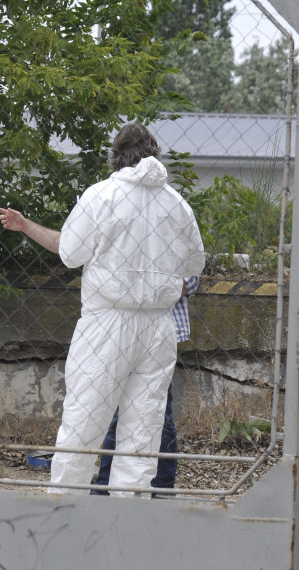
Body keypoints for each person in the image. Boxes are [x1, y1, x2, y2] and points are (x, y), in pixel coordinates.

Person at [22, 123, 204, 496]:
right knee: (143, 431)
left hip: (108, 321)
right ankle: (128, 522)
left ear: (116, 155)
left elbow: (71, 253)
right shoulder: (176, 203)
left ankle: (63, 511)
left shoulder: (101, 196)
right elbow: (194, 263)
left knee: (85, 420)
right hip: (158, 326)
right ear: (155, 153)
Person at [0, 206, 201, 495]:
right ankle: (104, 489)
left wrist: (137, 284)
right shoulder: (109, 207)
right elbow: (69, 244)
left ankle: (159, 491)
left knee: (151, 418)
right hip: (110, 336)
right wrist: (25, 226)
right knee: (103, 414)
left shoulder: (168, 211)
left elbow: (190, 279)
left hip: (153, 339)